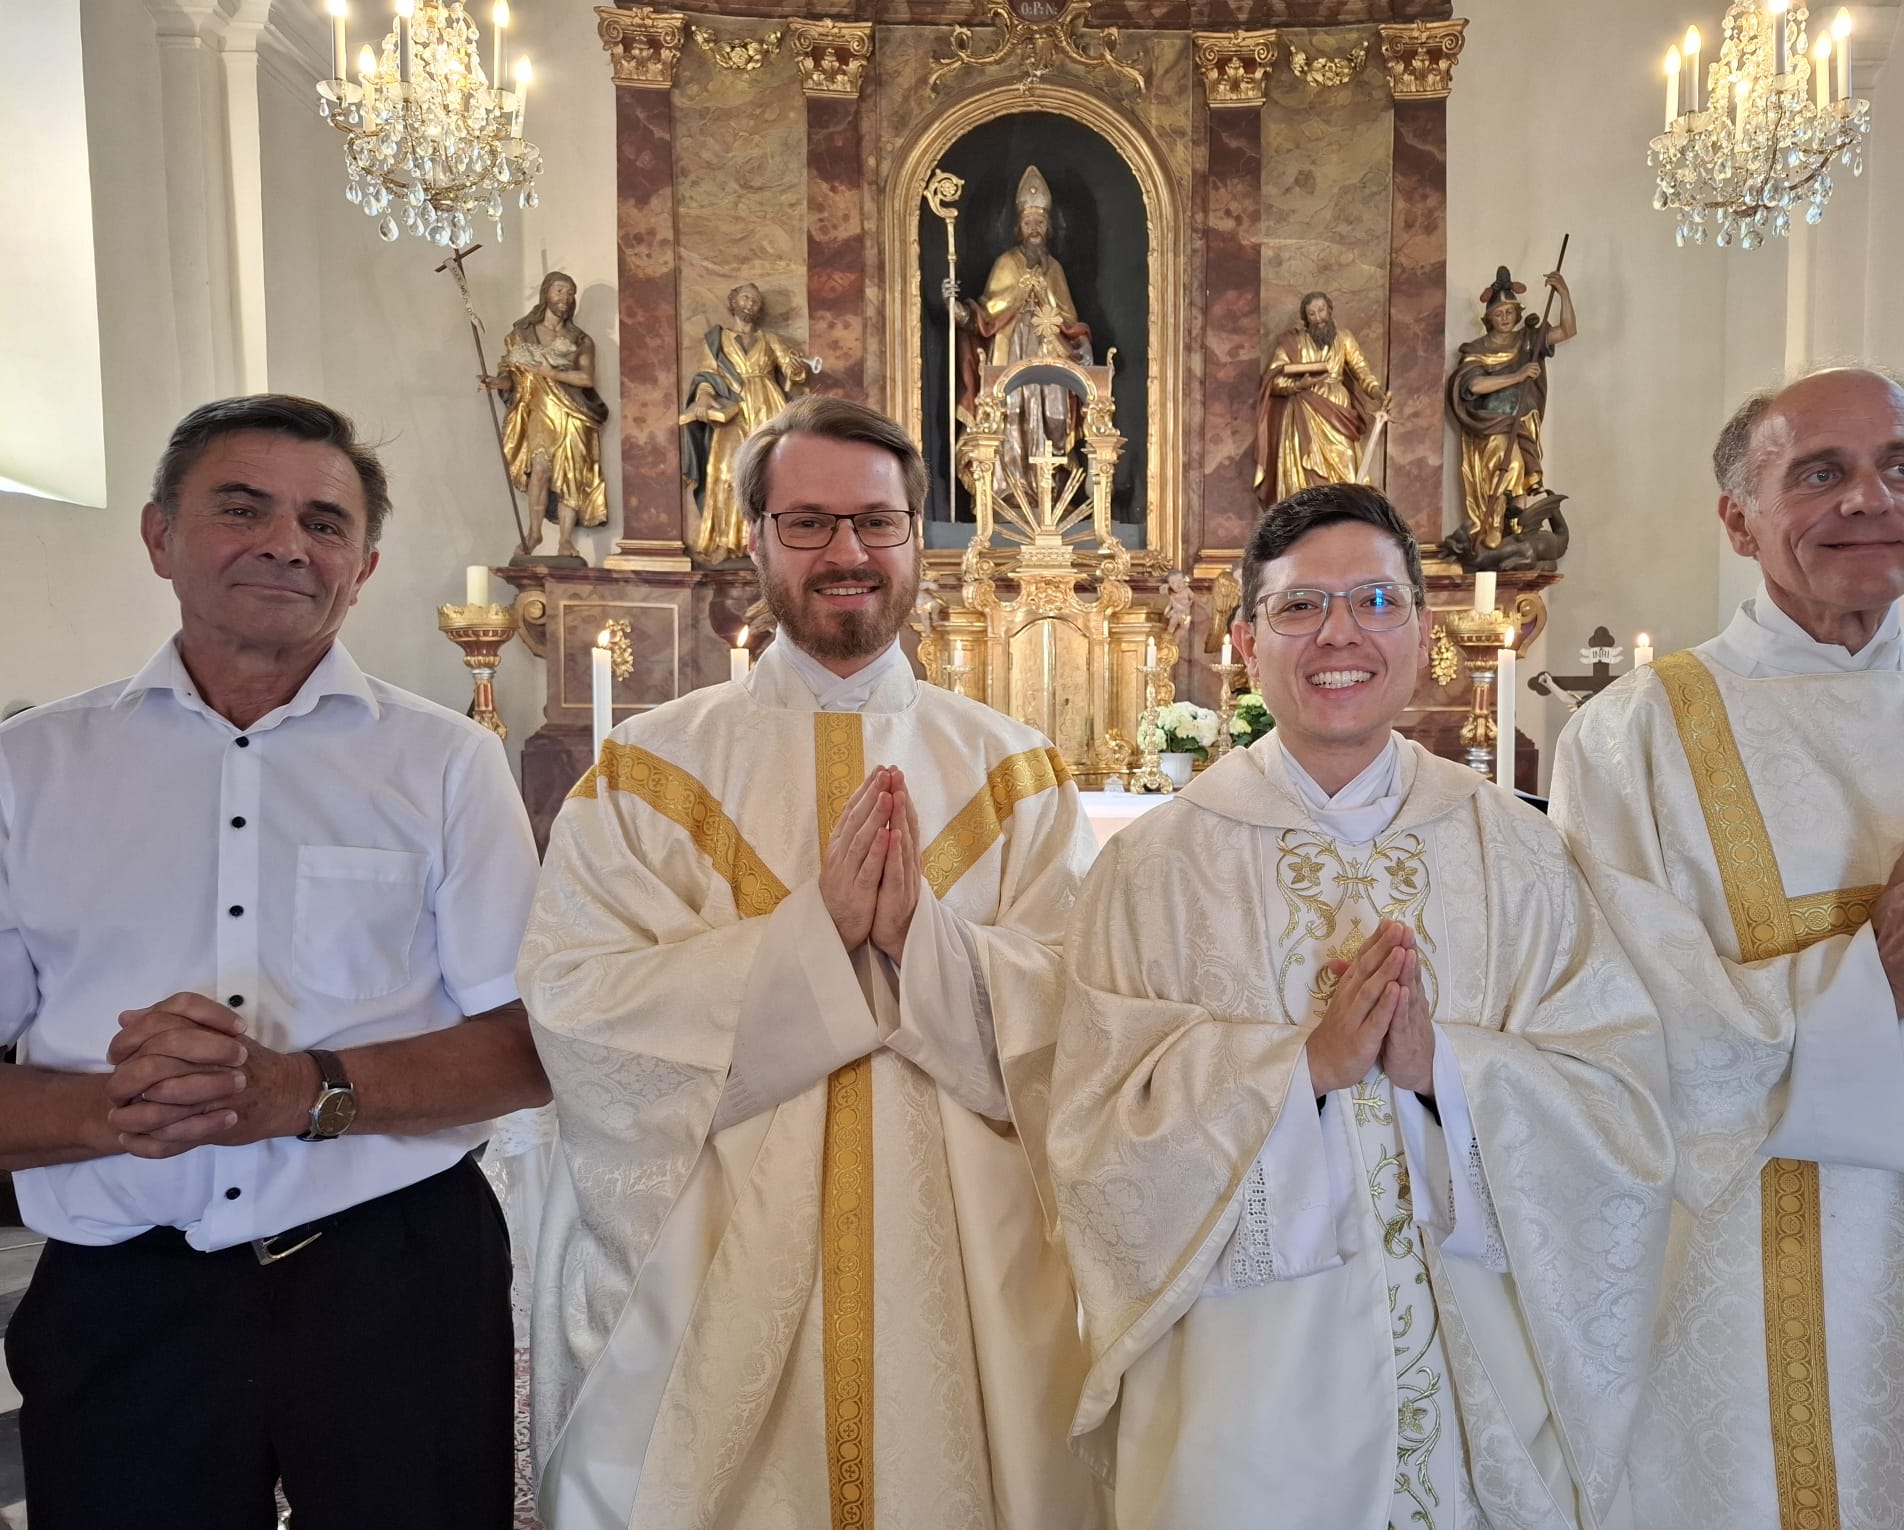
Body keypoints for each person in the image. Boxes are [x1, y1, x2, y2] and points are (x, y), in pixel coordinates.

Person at [523, 394, 1106, 1527]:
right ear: (754, 539)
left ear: (914, 540)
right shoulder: (646, 771)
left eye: (877, 524)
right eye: (809, 523)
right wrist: (814, 940)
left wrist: (918, 945)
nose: (847, 553)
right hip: (718, 1256)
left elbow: (1086, 1014)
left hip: (965, 1264)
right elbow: (580, 1011)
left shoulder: (1013, 769)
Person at [1050, 482, 1675, 1530]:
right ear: (1244, 643)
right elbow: (1091, 1137)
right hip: (1243, 1397)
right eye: (1300, 608)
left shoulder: (1515, 851)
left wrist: (1449, 1074)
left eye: (1376, 602)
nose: (1340, 634)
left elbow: (1620, 1098)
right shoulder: (1154, 868)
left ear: (1425, 635)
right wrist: (1301, 1072)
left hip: (1484, 1379)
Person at [0, 394, 549, 1528]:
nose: (287, 544)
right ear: (158, 535)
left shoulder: (448, 764)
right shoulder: (28, 770)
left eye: (324, 523)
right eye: (240, 509)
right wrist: (125, 1111)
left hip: (393, 1271)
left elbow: (530, 1047)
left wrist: (298, 1093)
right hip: (125, 1284)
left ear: (366, 564)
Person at [1550, 365, 1904, 1528]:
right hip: (1755, 1246)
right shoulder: (1640, 733)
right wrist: (1880, 981)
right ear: (1738, 520)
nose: (1871, 500)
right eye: (1822, 474)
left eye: (1901, 468)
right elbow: (1621, 1017)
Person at [953, 165, 1094, 502]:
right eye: (1029, 223)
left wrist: (1081, 342)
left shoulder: (1054, 269)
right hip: (1010, 353)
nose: (1035, 229)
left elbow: (1069, 318)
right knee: (1012, 413)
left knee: (1052, 419)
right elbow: (986, 314)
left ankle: (1051, 493)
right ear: (1019, 227)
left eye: (1040, 223)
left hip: (1050, 357)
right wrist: (956, 309)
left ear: (1048, 229)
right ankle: (1007, 491)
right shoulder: (1007, 263)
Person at [681, 280, 814, 562]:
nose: (750, 304)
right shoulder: (716, 340)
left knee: (770, 471)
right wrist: (704, 398)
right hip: (732, 409)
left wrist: (796, 366)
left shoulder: (770, 340)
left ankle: (771, 543)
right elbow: (706, 375)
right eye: (745, 298)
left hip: (768, 403)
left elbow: (792, 371)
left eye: (755, 301)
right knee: (727, 470)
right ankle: (728, 541)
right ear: (732, 303)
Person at [484, 270, 610, 561]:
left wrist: (551, 372)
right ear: (546, 294)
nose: (564, 298)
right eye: (559, 291)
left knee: (572, 477)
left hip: (574, 412)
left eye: (569, 293)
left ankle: (566, 541)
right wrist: (497, 382)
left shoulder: (580, 339)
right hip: (540, 409)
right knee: (539, 469)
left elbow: (587, 379)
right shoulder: (523, 333)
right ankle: (534, 532)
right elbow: (512, 374)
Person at [1448, 266, 1575, 551]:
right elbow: (1474, 385)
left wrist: (1564, 293)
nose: (1504, 318)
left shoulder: (1528, 340)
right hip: (1491, 421)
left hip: (1521, 421)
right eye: (1498, 314)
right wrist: (1517, 376)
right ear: (1489, 318)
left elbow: (1567, 330)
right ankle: (1493, 525)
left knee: (1518, 468)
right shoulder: (1477, 348)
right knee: (1510, 465)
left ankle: (1516, 525)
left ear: (1517, 314)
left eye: (1509, 312)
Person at [1252, 290, 1392, 508]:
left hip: (1337, 410)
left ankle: (1344, 516)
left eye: (1321, 310)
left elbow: (1361, 371)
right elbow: (1274, 381)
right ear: (1305, 318)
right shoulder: (1294, 343)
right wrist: (1299, 385)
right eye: (1312, 314)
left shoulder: (1344, 338)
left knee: (1345, 460)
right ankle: (1309, 521)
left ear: (1330, 310)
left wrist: (1377, 392)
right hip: (1303, 412)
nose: (1318, 317)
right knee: (1306, 468)